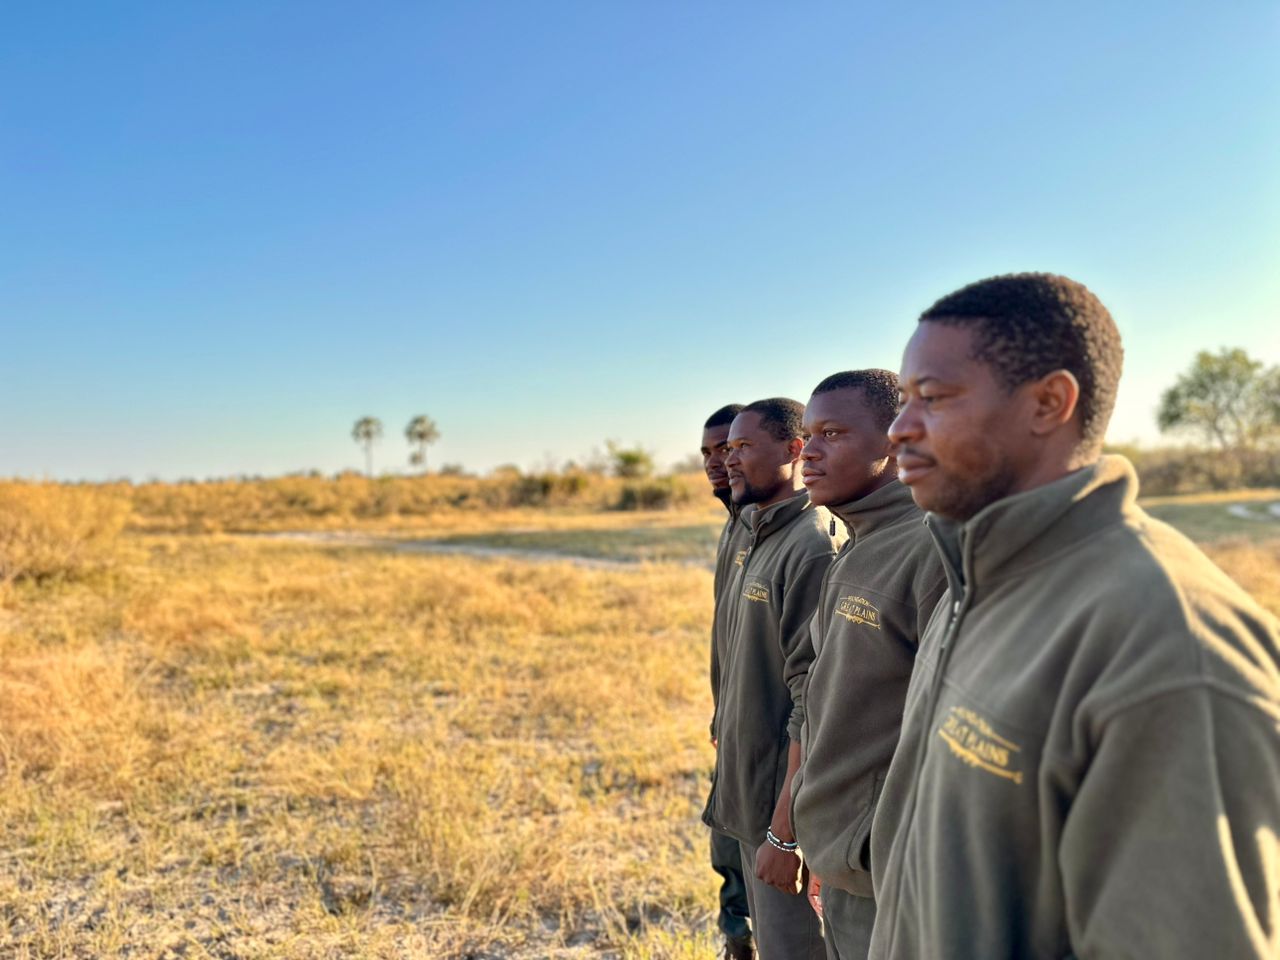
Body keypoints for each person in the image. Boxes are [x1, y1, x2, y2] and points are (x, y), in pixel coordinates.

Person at [868, 272, 1280, 959]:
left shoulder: (1169, 647)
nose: (898, 429)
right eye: (903, 399)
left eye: (932, 399)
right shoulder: (975, 579)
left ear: (1049, 403)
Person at [782, 370, 946, 959]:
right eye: (807, 435)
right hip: (849, 863)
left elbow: (944, 734)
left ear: (897, 441)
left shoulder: (931, 548)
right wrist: (829, 845)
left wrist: (869, 848)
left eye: (832, 433)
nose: (810, 453)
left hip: (894, 876)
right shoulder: (858, 543)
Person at [703, 397, 842, 960]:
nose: (728, 462)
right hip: (744, 780)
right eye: (722, 450)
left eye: (740, 448)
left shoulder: (812, 544)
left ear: (794, 449)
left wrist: (785, 829)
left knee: (794, 947)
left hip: (778, 798)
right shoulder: (752, 528)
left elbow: (813, 701)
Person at [701, 403, 754, 960]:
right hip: (733, 725)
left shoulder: (794, 532)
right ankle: (736, 942)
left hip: (771, 742)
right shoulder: (736, 525)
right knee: (727, 846)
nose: (720, 463)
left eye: (731, 449)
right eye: (711, 453)